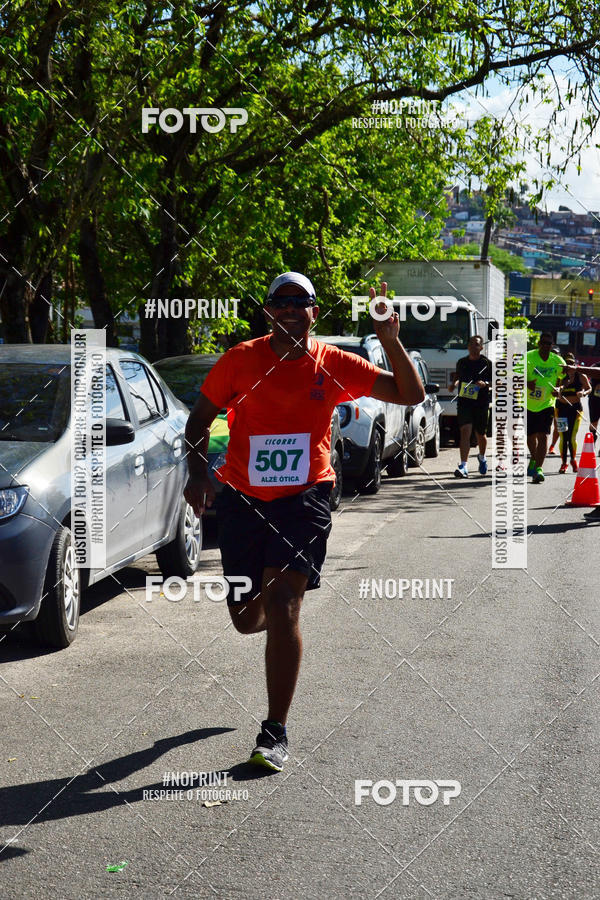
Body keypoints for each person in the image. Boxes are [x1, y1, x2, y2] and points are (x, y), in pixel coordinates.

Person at [183, 273, 424, 771]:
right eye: (281, 303)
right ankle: (267, 610)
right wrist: (197, 476)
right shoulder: (240, 360)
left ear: (315, 313)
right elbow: (198, 420)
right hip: (244, 499)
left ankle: (274, 731)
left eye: (302, 303)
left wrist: (390, 341)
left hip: (306, 497)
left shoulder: (333, 363)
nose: (291, 310)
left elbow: (410, 394)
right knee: (246, 617)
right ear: (268, 312)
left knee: (285, 601)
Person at [526, 333, 565, 483]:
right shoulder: (529, 356)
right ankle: (534, 458)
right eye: (543, 343)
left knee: (543, 436)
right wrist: (526, 383)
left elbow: (565, 378)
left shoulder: (557, 360)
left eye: (549, 343)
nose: (546, 346)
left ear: (552, 345)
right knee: (530, 437)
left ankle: (539, 469)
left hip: (547, 404)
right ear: (539, 344)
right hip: (529, 404)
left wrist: (559, 388)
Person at [452, 335, 492, 478]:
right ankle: (463, 465)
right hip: (465, 402)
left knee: (480, 434)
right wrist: (453, 384)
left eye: (477, 344)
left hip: (481, 402)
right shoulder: (462, 362)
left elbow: (496, 382)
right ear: (468, 346)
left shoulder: (487, 363)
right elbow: (457, 376)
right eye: (471, 344)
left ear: (481, 347)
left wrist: (485, 384)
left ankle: (482, 457)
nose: (473, 347)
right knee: (465, 431)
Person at [555, 352, 591, 473]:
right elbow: (553, 390)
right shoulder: (559, 376)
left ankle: (573, 460)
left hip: (575, 410)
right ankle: (563, 463)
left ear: (574, 364)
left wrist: (583, 393)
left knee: (571, 437)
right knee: (563, 437)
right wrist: (557, 391)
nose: (569, 366)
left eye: (571, 363)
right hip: (561, 409)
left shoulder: (581, 376)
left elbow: (589, 388)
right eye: (567, 363)